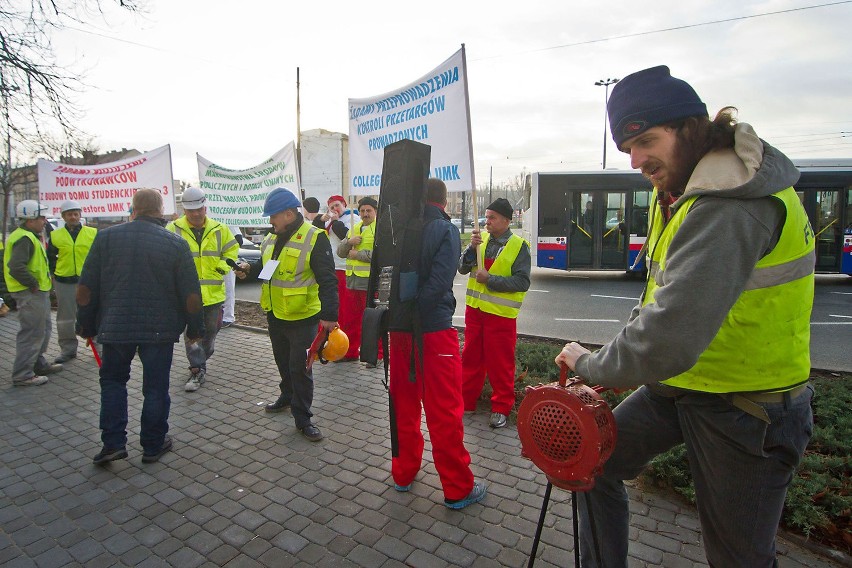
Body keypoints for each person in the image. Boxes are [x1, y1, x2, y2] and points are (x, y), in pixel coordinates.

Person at [555, 66, 815, 568]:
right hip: (681, 385)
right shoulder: (677, 193)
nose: (636, 160)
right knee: (590, 464)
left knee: (738, 558)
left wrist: (592, 365)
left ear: (690, 127)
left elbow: (668, 334)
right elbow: (655, 301)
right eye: (628, 147)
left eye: (646, 140)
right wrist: (619, 366)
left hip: (746, 408)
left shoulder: (730, 205)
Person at [76, 188, 204, 464]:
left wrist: (85, 325)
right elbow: (191, 294)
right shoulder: (175, 244)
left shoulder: (105, 238)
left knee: (112, 383)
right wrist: (195, 329)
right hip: (159, 330)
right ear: (160, 211)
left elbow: (87, 287)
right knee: (156, 388)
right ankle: (153, 444)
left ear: (133, 209)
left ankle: (112, 443)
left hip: (114, 327)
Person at [389, 178, 486, 510]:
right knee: (444, 412)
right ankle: (458, 488)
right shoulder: (444, 230)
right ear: (444, 202)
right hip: (432, 332)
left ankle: (403, 474)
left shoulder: (399, 226)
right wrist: (419, 312)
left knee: (403, 404)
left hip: (399, 332)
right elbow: (442, 281)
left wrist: (403, 314)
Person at [261, 187, 339, 442]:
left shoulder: (315, 237)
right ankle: (286, 396)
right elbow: (268, 272)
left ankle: (303, 418)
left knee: (300, 368)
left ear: (287, 214)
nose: (270, 221)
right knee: (283, 364)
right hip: (275, 314)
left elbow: (328, 281)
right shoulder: (271, 237)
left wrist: (329, 316)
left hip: (303, 318)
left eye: (273, 216)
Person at [458, 197, 530, 428]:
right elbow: (461, 268)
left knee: (500, 363)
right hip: (475, 311)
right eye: (486, 217)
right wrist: (470, 249)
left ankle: (501, 407)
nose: (486, 221)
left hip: (500, 315)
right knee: (471, 357)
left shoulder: (519, 246)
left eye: (492, 217)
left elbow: (522, 282)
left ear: (506, 220)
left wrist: (491, 280)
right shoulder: (480, 240)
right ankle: (465, 400)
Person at [166, 187, 245, 392]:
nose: (195, 214)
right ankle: (197, 369)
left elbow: (231, 249)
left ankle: (202, 357)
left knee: (211, 331)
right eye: (191, 210)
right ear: (184, 210)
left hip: (213, 294)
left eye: (199, 209)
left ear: (205, 207)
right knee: (192, 334)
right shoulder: (172, 228)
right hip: (186, 295)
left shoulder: (220, 228)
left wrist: (222, 267)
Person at [4, 200, 62, 385]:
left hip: (37, 292)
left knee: (44, 329)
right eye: (41, 218)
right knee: (32, 333)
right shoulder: (24, 238)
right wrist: (33, 284)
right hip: (30, 293)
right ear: (30, 220)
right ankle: (23, 374)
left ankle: (38, 363)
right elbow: (16, 267)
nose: (44, 221)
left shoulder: (29, 236)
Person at [47, 200, 98, 363]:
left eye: (76, 214)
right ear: (63, 216)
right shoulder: (55, 235)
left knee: (94, 313)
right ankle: (68, 350)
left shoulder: (92, 233)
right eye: (69, 214)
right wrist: (54, 273)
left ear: (80, 215)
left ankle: (99, 346)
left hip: (87, 281)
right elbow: (50, 257)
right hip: (64, 280)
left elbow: (98, 256)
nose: (73, 217)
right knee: (66, 317)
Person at [336, 196, 382, 366]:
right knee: (350, 321)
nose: (365, 214)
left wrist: (359, 255)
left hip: (369, 284)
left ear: (375, 212)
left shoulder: (380, 230)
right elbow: (340, 252)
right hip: (352, 282)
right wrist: (349, 242)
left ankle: (376, 355)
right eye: (362, 211)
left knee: (372, 322)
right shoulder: (354, 229)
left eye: (368, 210)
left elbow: (381, 256)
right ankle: (349, 352)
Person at [313, 195, 359, 360]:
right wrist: (321, 221)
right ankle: (325, 347)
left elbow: (346, 238)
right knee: (327, 310)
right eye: (331, 207)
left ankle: (348, 349)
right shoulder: (328, 221)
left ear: (344, 204)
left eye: (337, 205)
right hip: (329, 268)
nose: (334, 209)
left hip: (344, 268)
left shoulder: (352, 219)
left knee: (345, 312)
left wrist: (335, 221)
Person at [222, 226, 245, 328]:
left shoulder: (228, 222)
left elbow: (239, 239)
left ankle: (228, 317)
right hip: (212, 262)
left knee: (228, 288)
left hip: (227, 260)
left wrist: (227, 251)